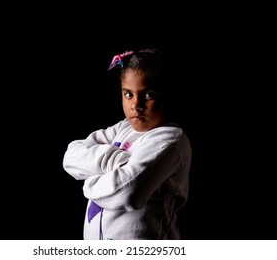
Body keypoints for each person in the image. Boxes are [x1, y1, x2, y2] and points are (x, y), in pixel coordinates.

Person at [62, 47, 192, 240]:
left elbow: (128, 192)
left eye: (148, 95)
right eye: (128, 94)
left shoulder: (170, 139)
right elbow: (71, 156)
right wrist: (118, 163)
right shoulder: (123, 128)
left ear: (168, 96)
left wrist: (89, 182)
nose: (135, 105)